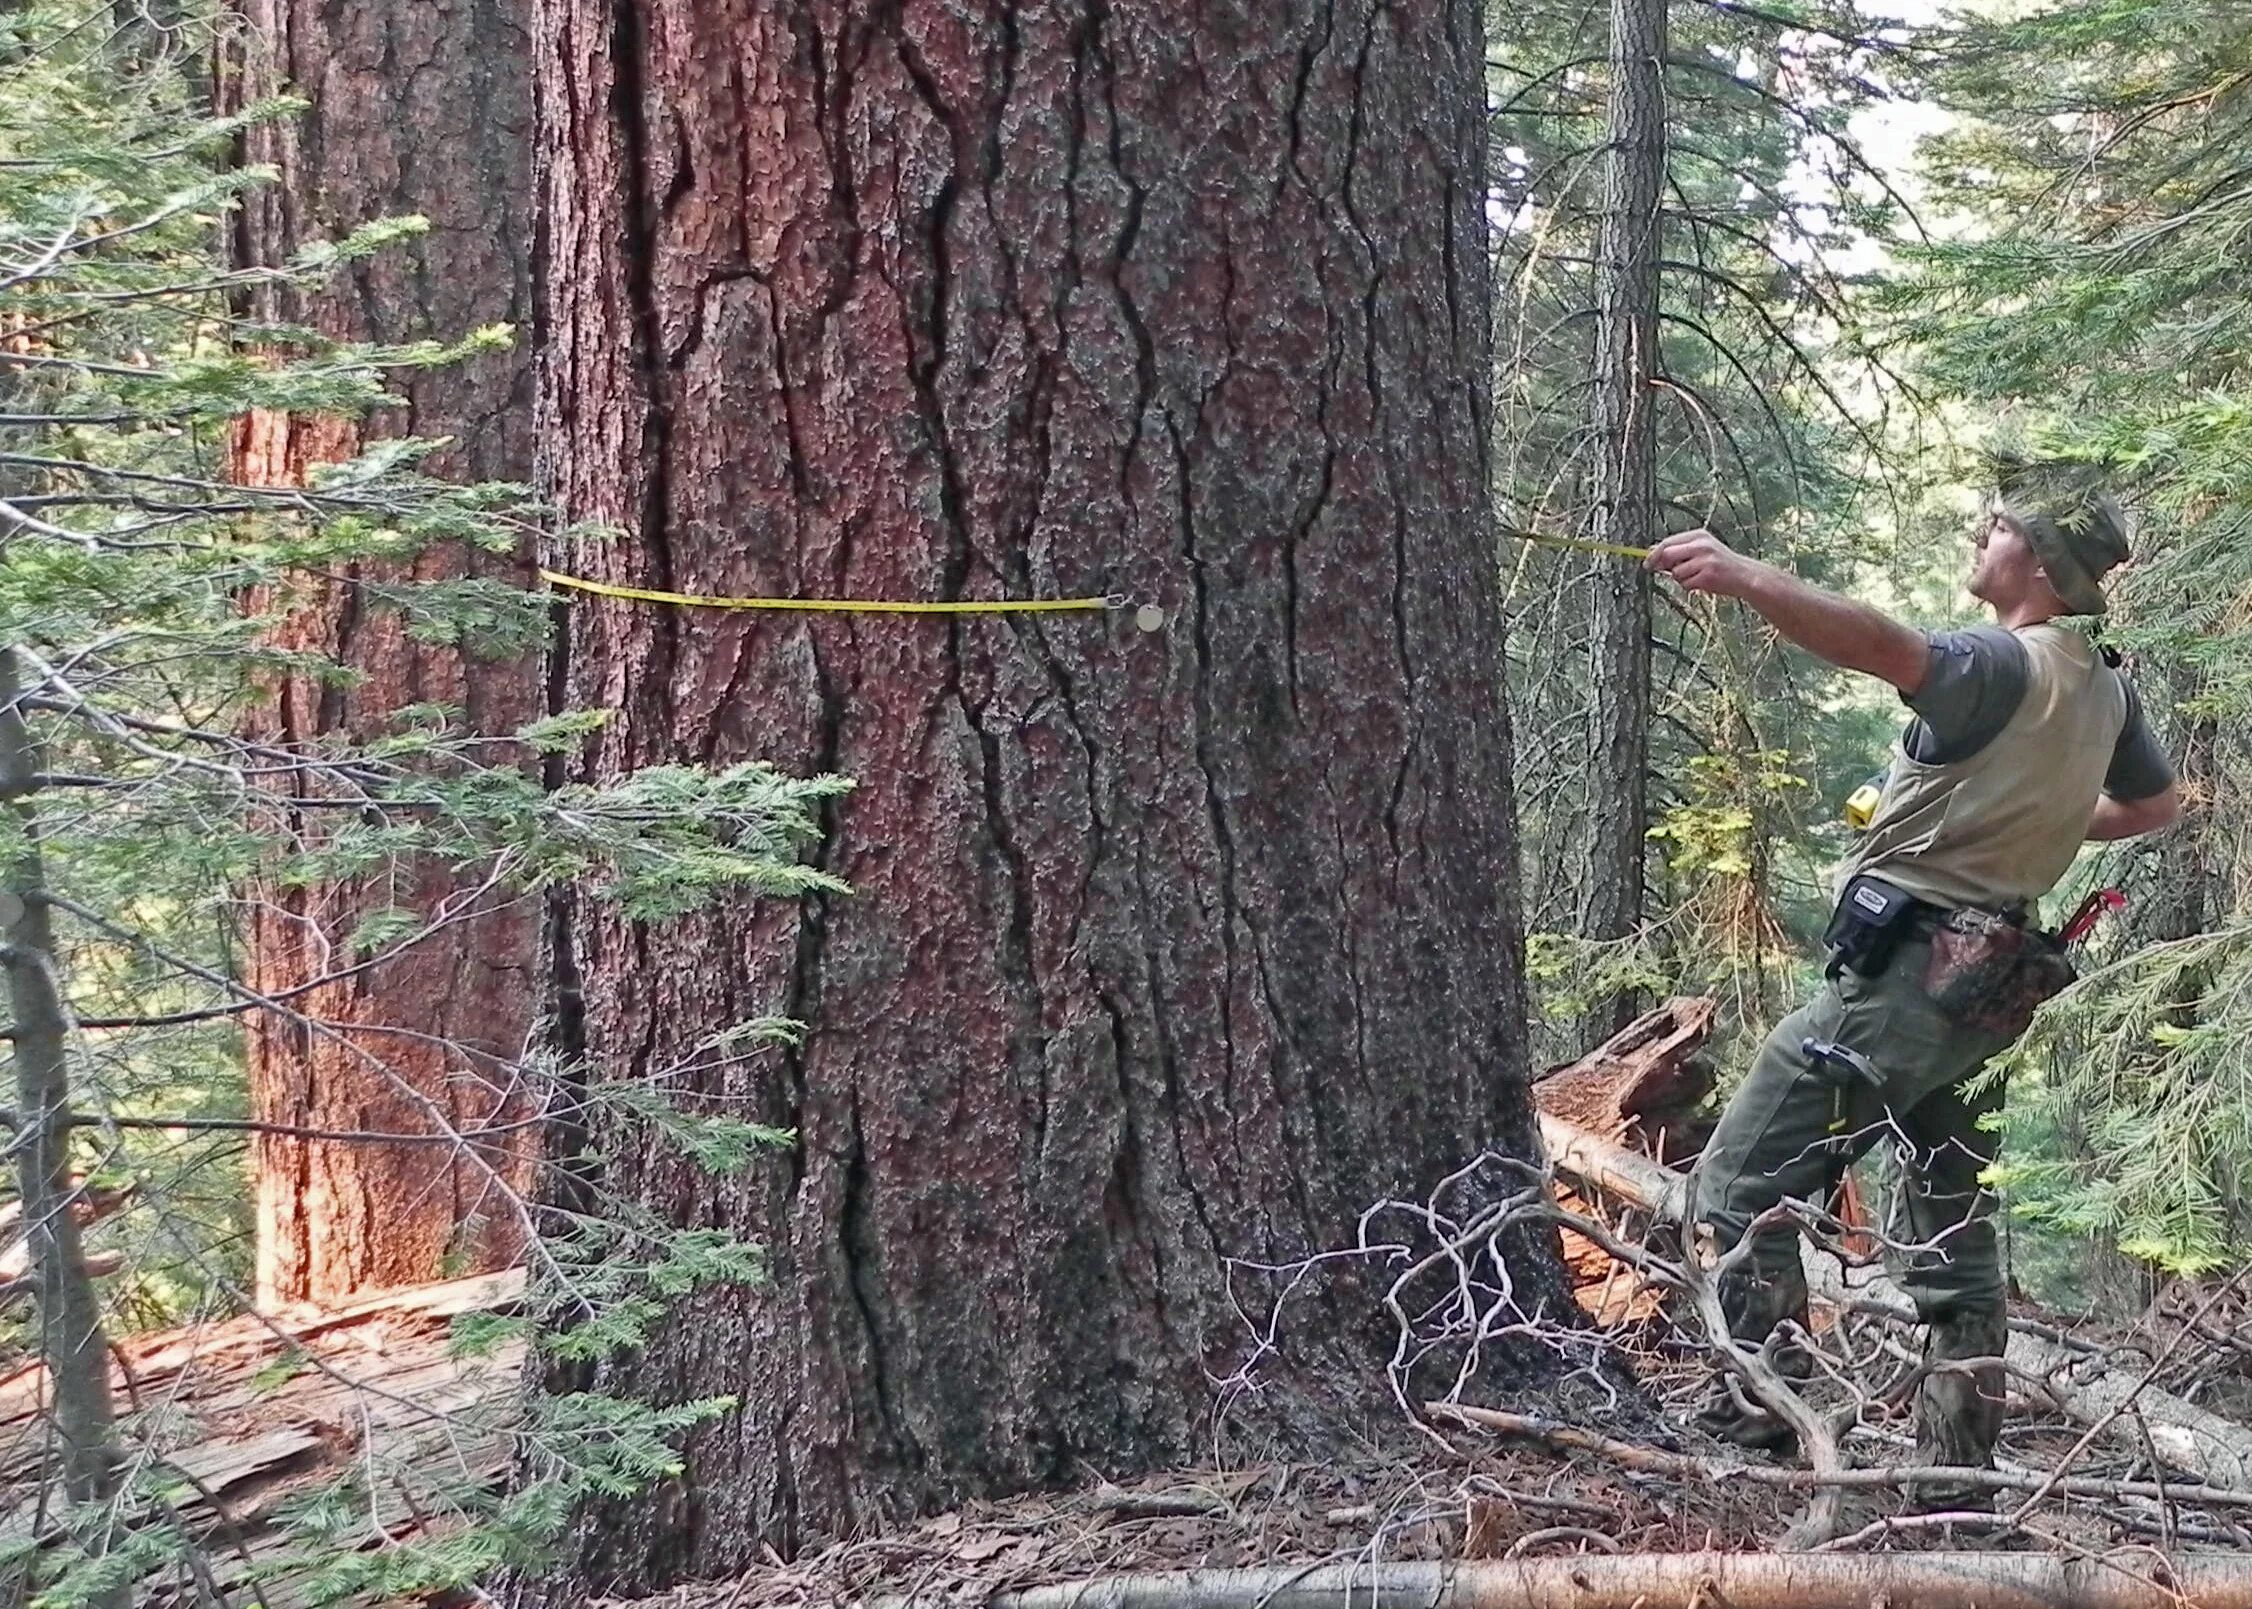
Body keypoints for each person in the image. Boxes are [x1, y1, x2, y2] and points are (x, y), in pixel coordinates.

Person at [1643, 462, 2181, 1518]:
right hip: (1983, 1001)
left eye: (1993, 529)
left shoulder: (1993, 662)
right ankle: (1955, 1479)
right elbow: (2154, 806)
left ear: (2033, 558)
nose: (1978, 539)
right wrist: (2024, 825)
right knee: (1950, 1237)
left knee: (1736, 1190)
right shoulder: (2101, 685)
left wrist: (1744, 573)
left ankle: (1765, 1426)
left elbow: (1886, 645)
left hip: (1897, 988)